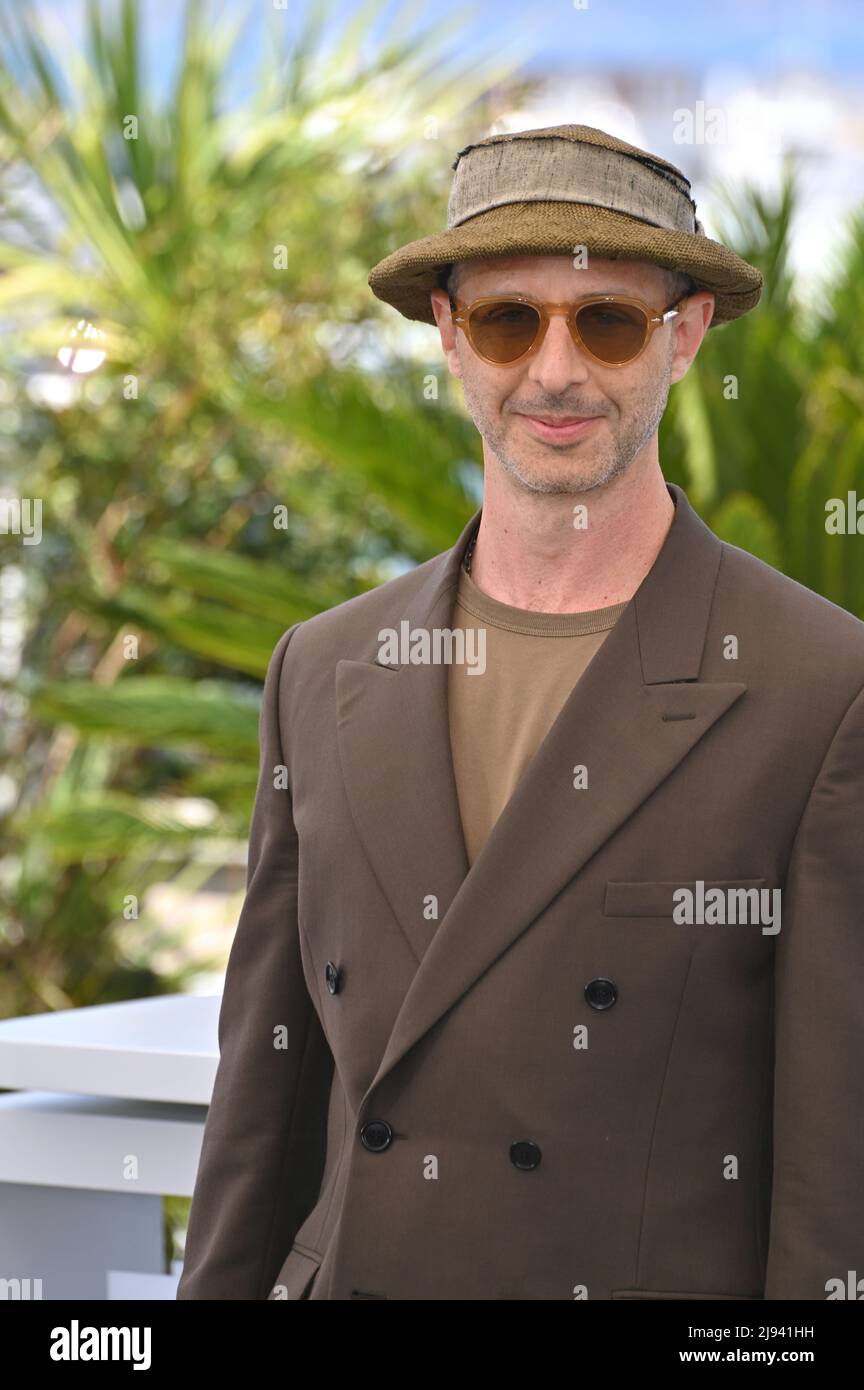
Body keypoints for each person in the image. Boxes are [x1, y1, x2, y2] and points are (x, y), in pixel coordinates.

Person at [177, 124, 864, 1301]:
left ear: (684, 333)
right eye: (507, 320)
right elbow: (264, 1105)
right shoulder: (321, 668)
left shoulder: (821, 686)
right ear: (447, 331)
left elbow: (834, 1179)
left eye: (607, 321)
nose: (555, 371)